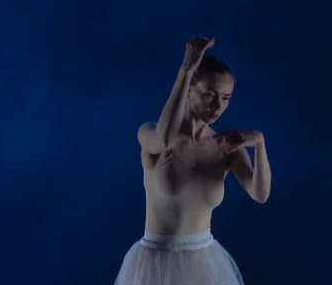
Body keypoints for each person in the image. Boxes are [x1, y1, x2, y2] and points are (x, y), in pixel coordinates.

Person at [115, 35, 272, 284]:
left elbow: (260, 194)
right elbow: (167, 139)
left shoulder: (228, 147)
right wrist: (186, 69)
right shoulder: (151, 134)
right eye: (209, 95)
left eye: (226, 97)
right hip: (154, 262)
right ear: (189, 90)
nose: (217, 106)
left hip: (205, 263)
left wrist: (261, 143)